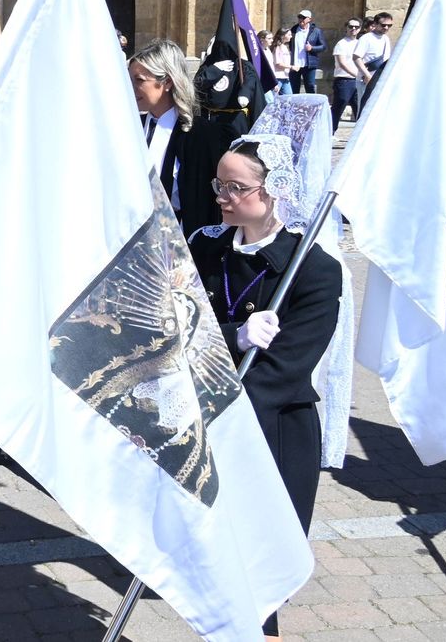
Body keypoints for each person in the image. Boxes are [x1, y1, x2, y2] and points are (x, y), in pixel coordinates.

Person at [187, 135, 341, 640]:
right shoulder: (204, 247)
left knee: (257, 575)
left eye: (236, 187)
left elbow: (287, 368)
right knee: (208, 567)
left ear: (273, 191)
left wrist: (220, 414)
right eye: (219, 184)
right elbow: (177, 328)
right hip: (201, 422)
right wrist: (234, 337)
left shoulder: (314, 270)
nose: (222, 196)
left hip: (270, 430)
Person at [129, 40, 233, 236]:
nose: (130, 87)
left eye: (139, 80)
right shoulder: (131, 128)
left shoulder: (203, 136)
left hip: (180, 243)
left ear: (167, 82)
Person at [329, 19, 363, 131]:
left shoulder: (360, 43)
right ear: (346, 27)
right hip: (344, 80)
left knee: (359, 108)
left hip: (357, 81)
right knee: (338, 108)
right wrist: (356, 74)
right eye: (351, 26)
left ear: (360, 29)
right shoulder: (341, 43)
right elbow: (342, 63)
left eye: (356, 27)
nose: (353, 29)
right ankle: (331, 131)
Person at [285, 9, 325, 94]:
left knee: (310, 86)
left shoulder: (316, 31)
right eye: (299, 17)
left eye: (303, 17)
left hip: (309, 65)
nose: (301, 19)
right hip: (295, 64)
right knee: (294, 88)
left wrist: (312, 48)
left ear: (309, 19)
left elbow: (323, 46)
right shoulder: (294, 30)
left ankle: (310, 106)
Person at [265, 30, 291, 94]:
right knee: (273, 98)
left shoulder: (285, 47)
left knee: (289, 98)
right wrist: (291, 67)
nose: (291, 36)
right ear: (283, 36)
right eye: (289, 35)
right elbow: (278, 63)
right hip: (278, 77)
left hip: (285, 77)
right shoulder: (277, 47)